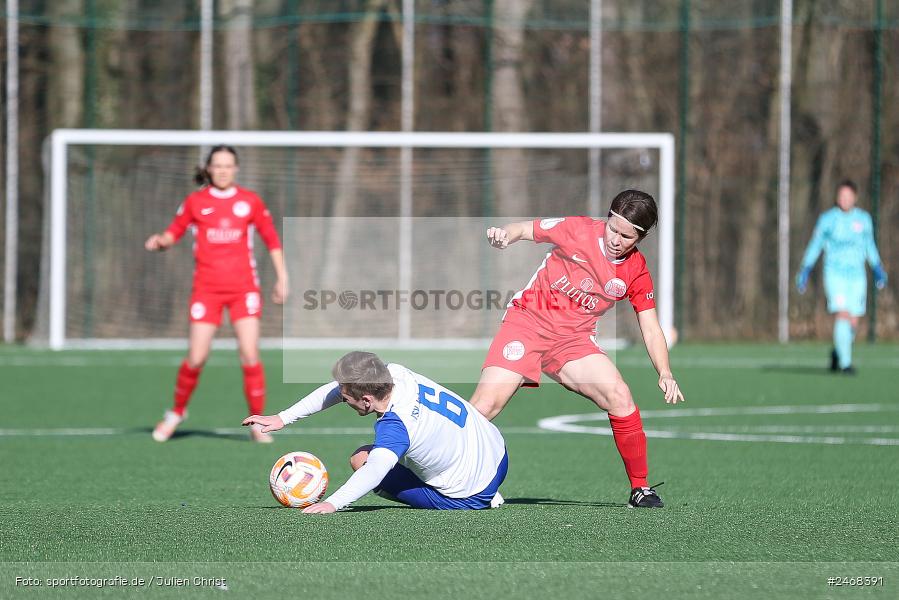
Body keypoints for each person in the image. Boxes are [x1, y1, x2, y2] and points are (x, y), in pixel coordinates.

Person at [469, 189, 684, 509]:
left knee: (620, 397)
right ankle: (437, 471)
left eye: (627, 236)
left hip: (573, 341)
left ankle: (640, 488)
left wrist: (665, 372)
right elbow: (526, 229)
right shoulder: (578, 229)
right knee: (485, 407)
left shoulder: (636, 270)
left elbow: (651, 328)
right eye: (613, 228)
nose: (616, 239)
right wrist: (505, 235)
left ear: (642, 236)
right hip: (527, 324)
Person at [242, 351, 508, 512]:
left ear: (367, 400)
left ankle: (482, 498)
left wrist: (333, 503)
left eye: (347, 399)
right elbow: (341, 388)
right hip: (497, 453)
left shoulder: (396, 426)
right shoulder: (395, 373)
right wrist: (282, 418)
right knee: (416, 446)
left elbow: (374, 470)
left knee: (362, 459)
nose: (343, 401)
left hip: (469, 495)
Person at [145, 145, 288, 443]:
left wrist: (282, 277)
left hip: (243, 289)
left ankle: (257, 424)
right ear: (208, 169)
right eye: (217, 165)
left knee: (249, 353)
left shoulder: (249, 202)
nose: (223, 170)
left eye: (228, 165)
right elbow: (174, 232)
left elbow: (272, 240)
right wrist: (160, 241)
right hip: (206, 290)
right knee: (196, 357)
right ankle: (176, 413)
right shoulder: (196, 202)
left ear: (236, 169)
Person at [796, 179, 887, 374]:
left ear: (855, 197)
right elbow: (816, 245)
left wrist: (878, 267)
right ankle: (846, 363)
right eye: (841, 196)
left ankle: (838, 351)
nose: (844, 199)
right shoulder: (827, 219)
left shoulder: (863, 219)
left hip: (857, 276)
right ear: (837, 198)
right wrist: (805, 269)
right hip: (835, 274)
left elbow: (869, 246)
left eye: (848, 196)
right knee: (842, 314)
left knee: (854, 320)